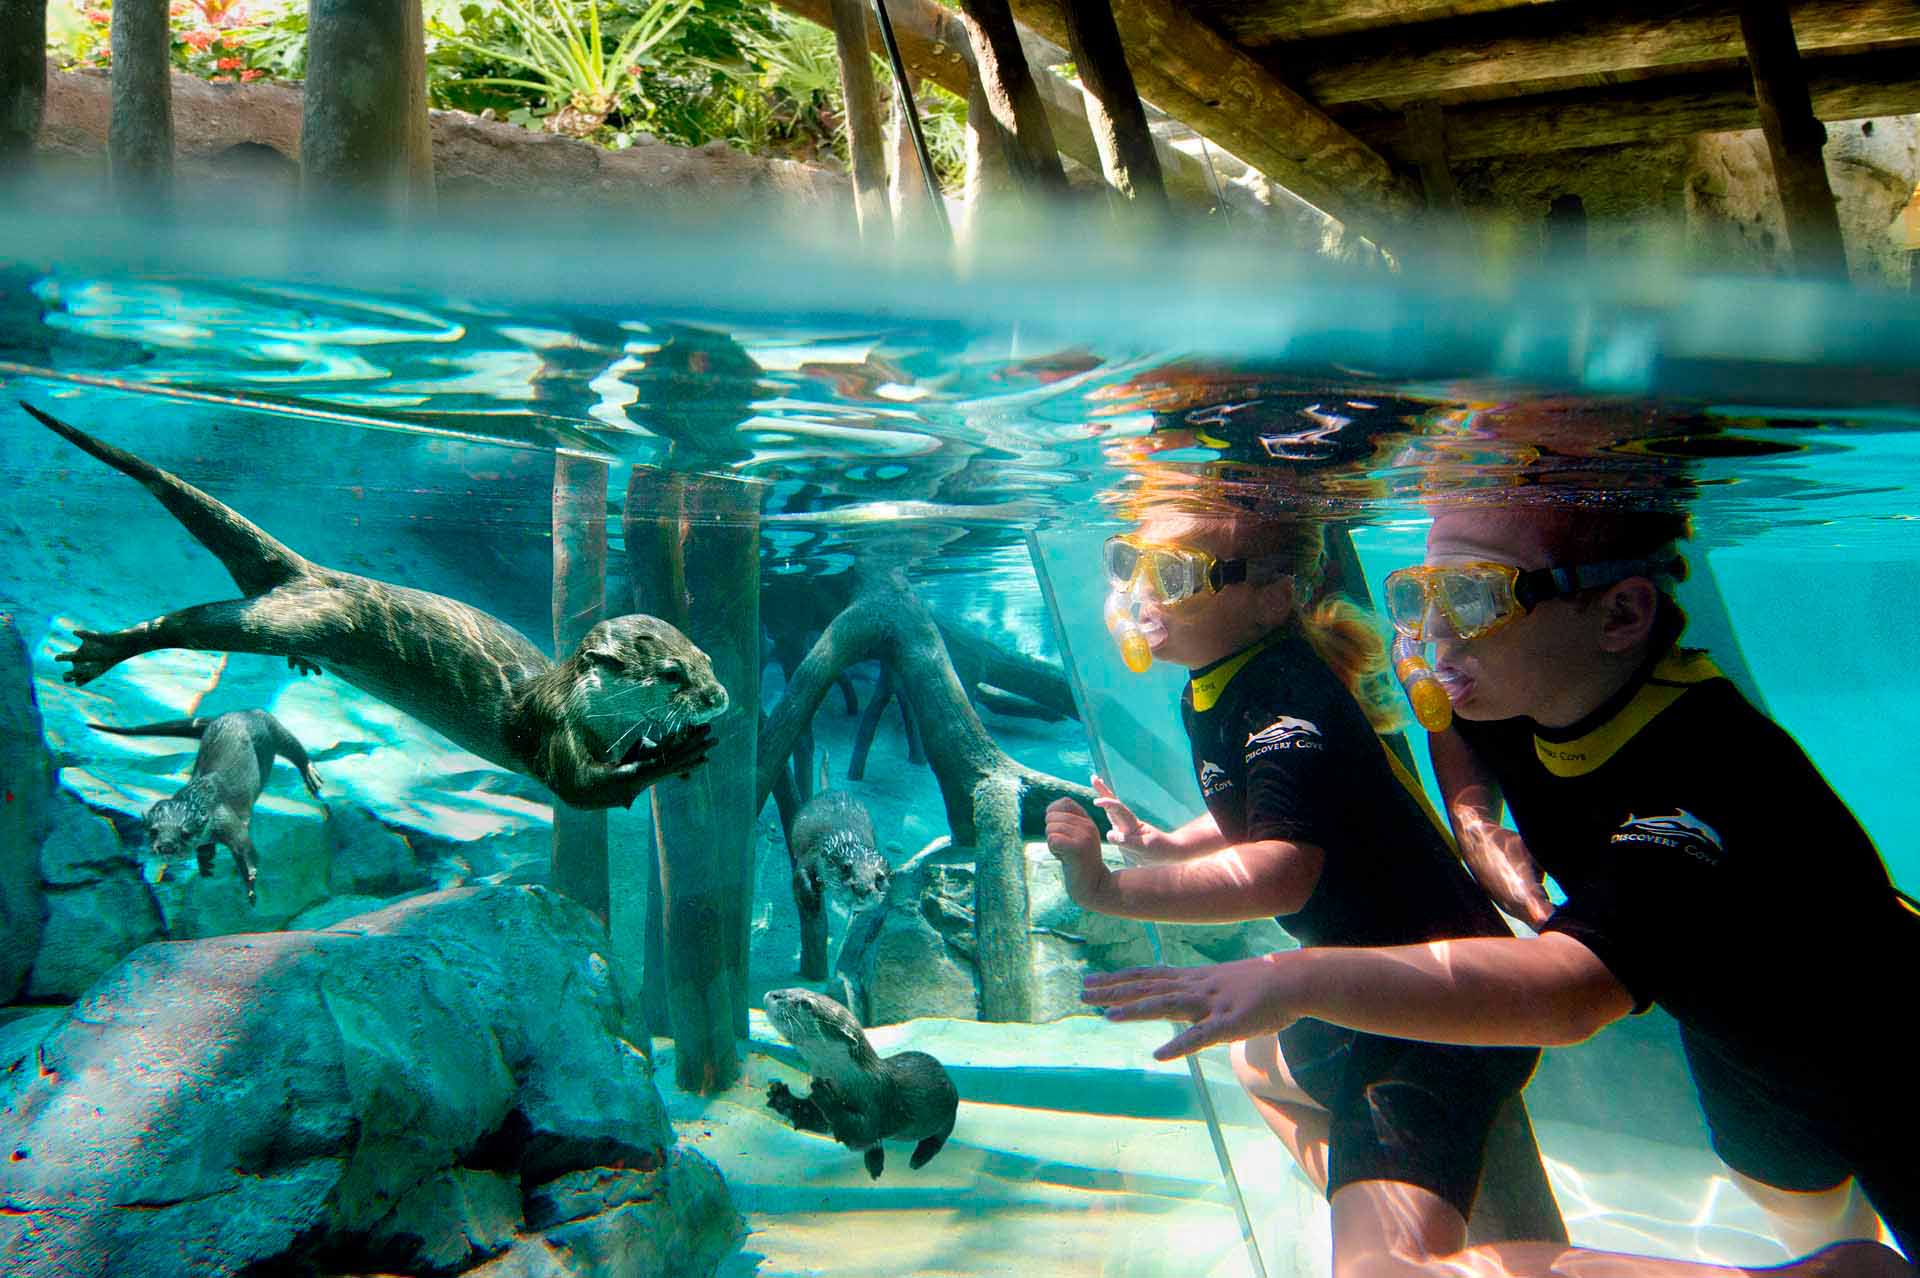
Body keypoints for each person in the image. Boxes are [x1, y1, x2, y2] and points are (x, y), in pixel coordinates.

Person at [1083, 501, 1918, 1278]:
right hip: (1742, 1041)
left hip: (1883, 1055)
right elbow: (1453, 732)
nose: (1435, 635)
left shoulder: (1706, 768)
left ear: (1622, 615)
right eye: (1424, 594)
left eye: (1477, 598)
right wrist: (1478, 825)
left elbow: (1569, 994)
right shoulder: (1527, 682)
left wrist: (1288, 978)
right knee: (1800, 1206)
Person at [1043, 496, 1549, 1277]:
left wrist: (1109, 890)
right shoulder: (1216, 682)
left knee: (1379, 1271)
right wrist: (1167, 845)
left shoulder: (1285, 696)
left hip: (1433, 1011)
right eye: (1131, 564)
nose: (1141, 593)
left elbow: (1282, 872)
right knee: (1255, 1068)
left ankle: (1429, 1237)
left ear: (1271, 599)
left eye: (1175, 575)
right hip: (1357, 993)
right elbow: (1274, 810)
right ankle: (1386, 1193)